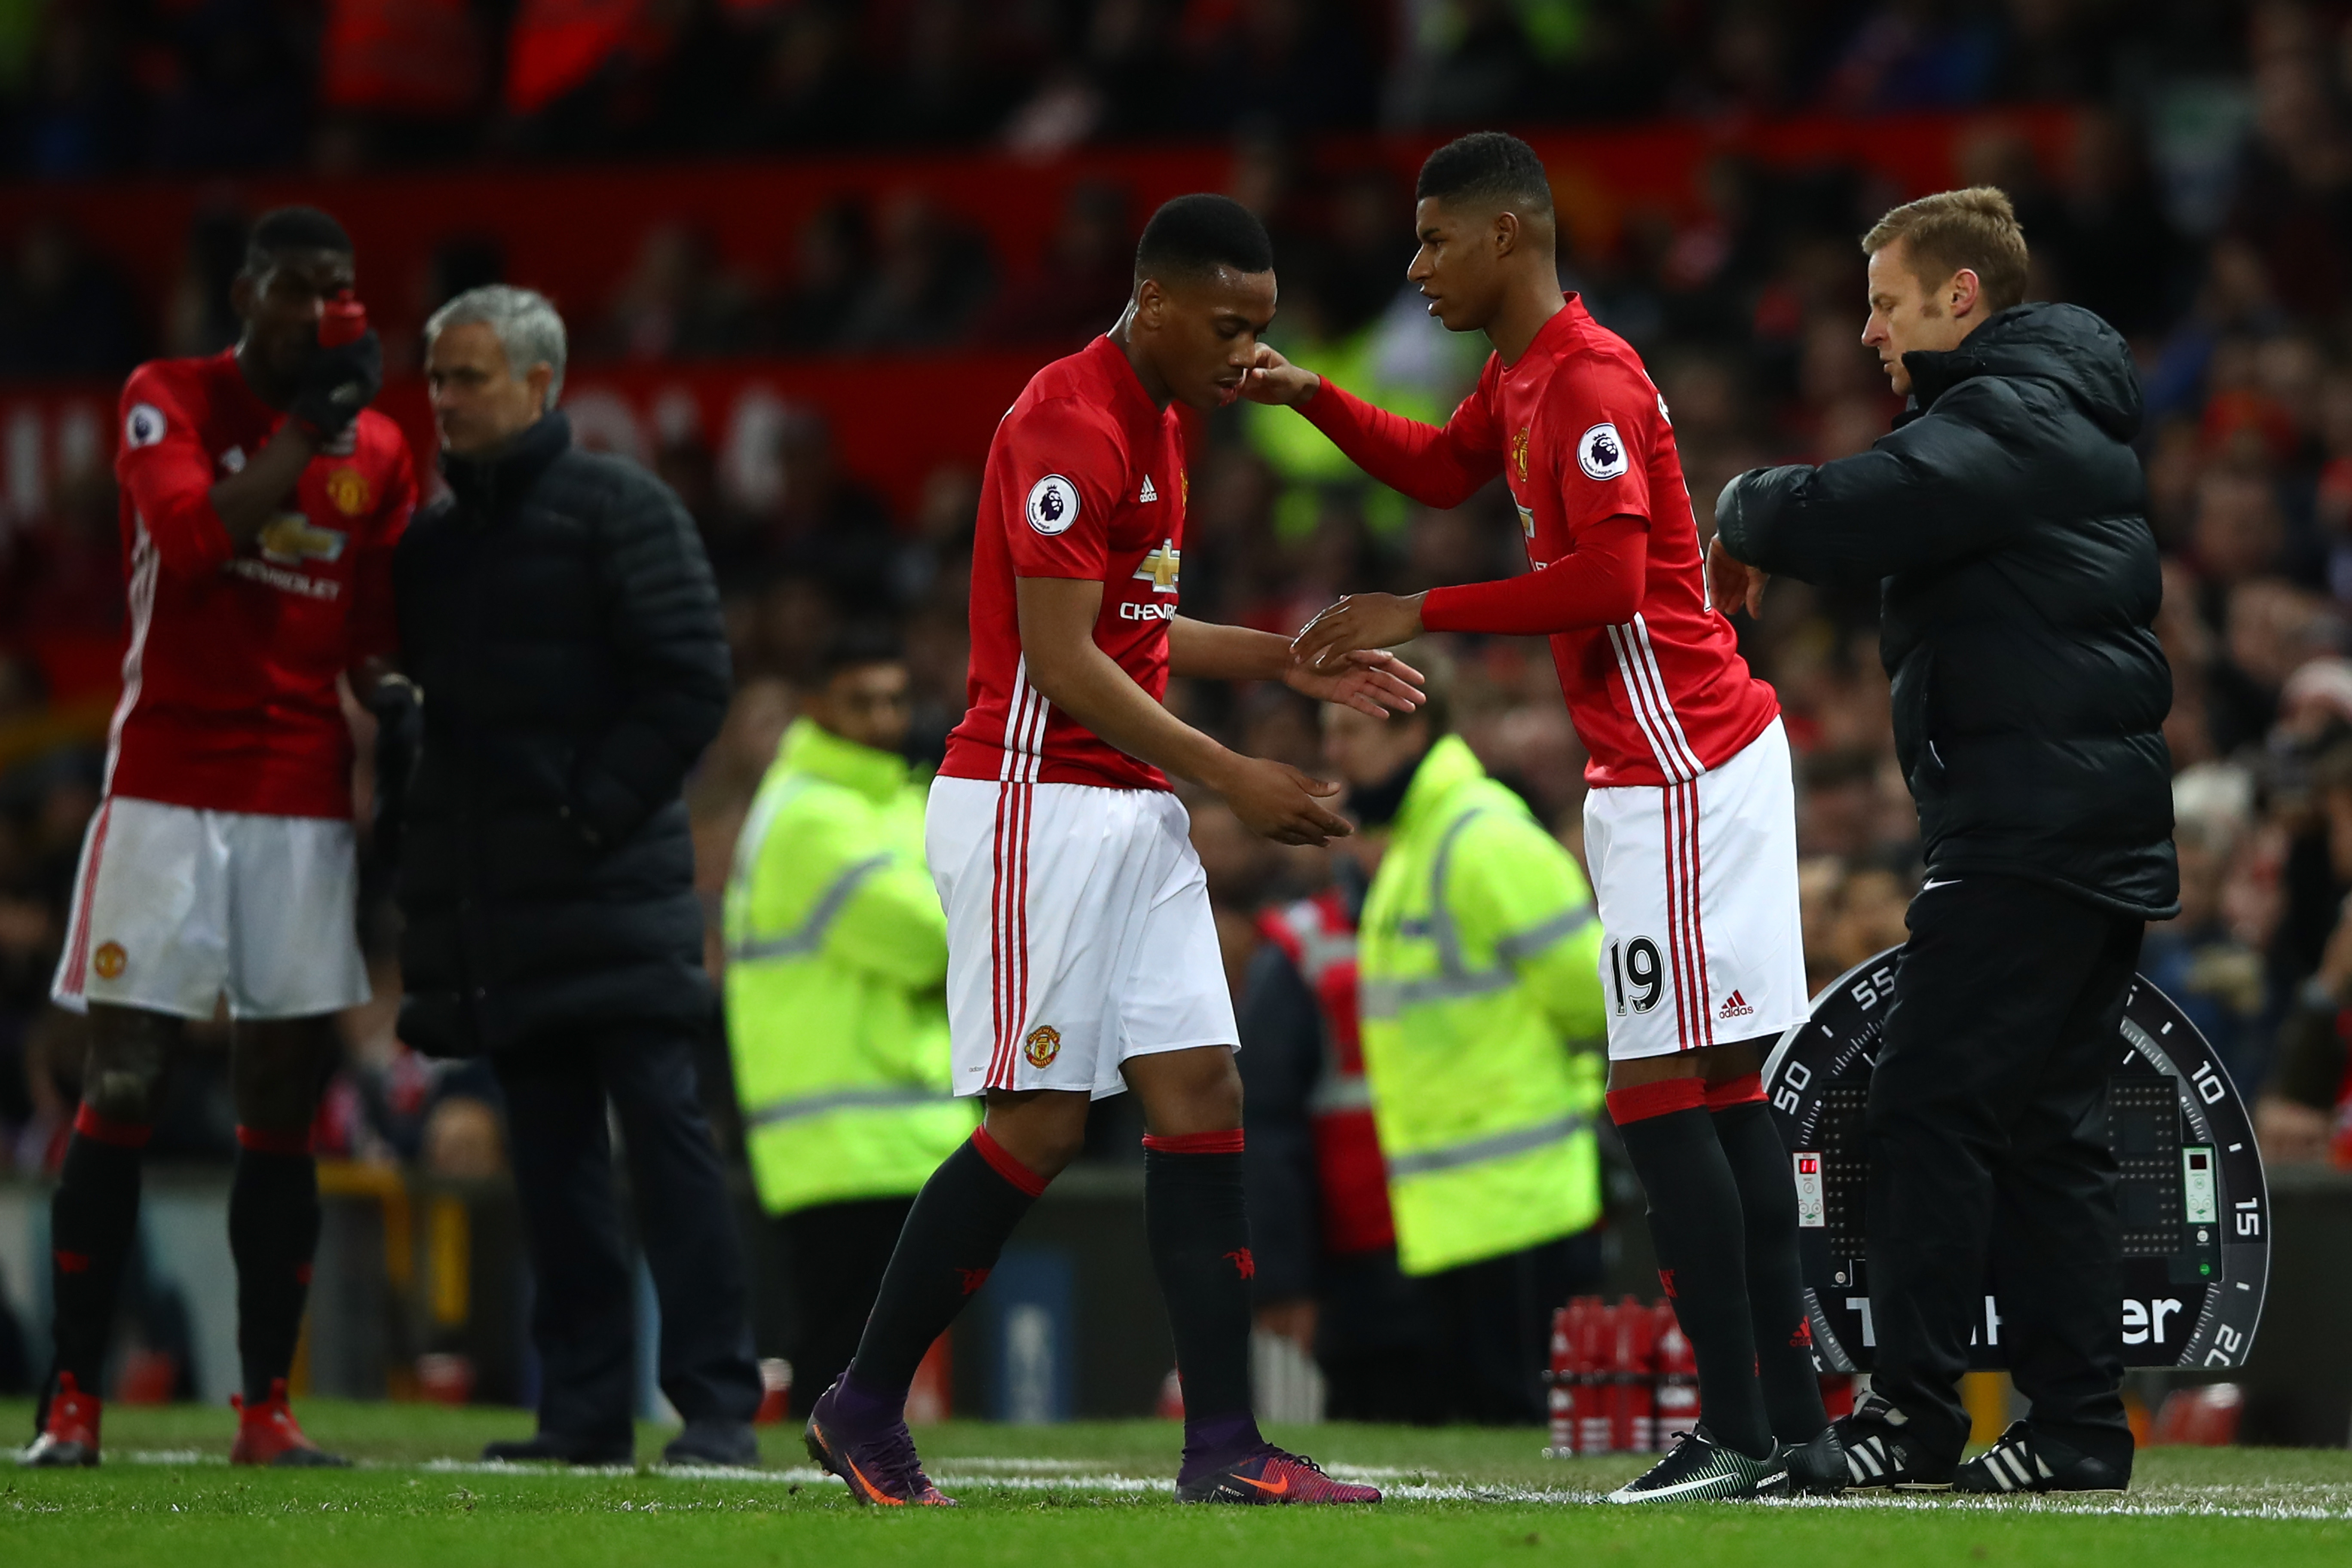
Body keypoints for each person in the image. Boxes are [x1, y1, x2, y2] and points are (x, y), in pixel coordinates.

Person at [1245, 132, 1842, 1502]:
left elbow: (1616, 578)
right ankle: (1793, 1426)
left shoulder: (1582, 381)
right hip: (1682, 761)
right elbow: (1445, 472)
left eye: (1434, 238)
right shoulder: (1523, 373)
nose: (1418, 267)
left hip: (1681, 764)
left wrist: (1424, 610)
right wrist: (1307, 397)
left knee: (1653, 1094)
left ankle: (1740, 1429)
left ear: (1506, 235)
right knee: (1727, 1093)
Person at [798, 194, 1421, 1508]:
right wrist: (1235, 774)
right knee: (1036, 1124)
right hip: (1035, 799)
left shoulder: (1165, 418)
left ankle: (1227, 1449)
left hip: (1127, 806)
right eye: (1227, 324)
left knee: (1203, 1092)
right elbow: (1063, 660)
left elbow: (1137, 624)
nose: (1247, 351)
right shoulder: (1065, 421)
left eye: (1262, 327)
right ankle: (862, 1404)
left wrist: (1289, 660)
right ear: (1153, 299)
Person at [1710, 187, 2177, 1495]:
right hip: (2077, 819)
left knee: (1927, 1105)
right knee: (2045, 1131)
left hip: (2029, 824)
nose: (1868, 331)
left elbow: (1871, 504)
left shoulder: (2006, 415)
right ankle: (2078, 1427)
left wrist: (1742, 508)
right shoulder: (2046, 409)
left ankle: (1912, 1414)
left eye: (1888, 301)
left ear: (1960, 298)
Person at [27, 206, 404, 1469]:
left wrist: (399, 708)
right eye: (299, 287)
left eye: (340, 288)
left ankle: (266, 1412)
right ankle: (72, 1402)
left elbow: (367, 631)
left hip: (298, 808)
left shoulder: (385, 450)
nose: (323, 311)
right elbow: (192, 544)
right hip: (164, 795)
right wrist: (308, 430)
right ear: (246, 293)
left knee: (281, 1110)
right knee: (123, 1082)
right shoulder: (166, 397)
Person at [392, 285, 763, 1467]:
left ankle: (714, 1408)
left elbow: (693, 683)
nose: (447, 400)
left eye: (471, 378)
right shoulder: (436, 548)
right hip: (508, 912)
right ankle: (585, 1413)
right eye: (439, 378)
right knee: (552, 1169)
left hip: (612, 893)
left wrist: (587, 816)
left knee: (667, 1153)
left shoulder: (621, 508)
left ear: (542, 385)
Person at [1326, 649, 1608, 1424]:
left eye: (1351, 729)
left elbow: (1596, 1003)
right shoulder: (1423, 843)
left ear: (1411, 734)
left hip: (1520, 1208)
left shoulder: (1482, 840)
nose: (1335, 753)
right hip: (1461, 1210)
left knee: (1515, 1444)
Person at [723, 624, 977, 1415]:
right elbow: (931, 940)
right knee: (840, 1347)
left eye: (895, 700)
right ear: (815, 707)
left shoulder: (893, 802)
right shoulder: (807, 818)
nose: (882, 719)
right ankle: (824, 1503)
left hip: (896, 1132)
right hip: (838, 1143)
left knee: (876, 1360)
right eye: (861, 702)